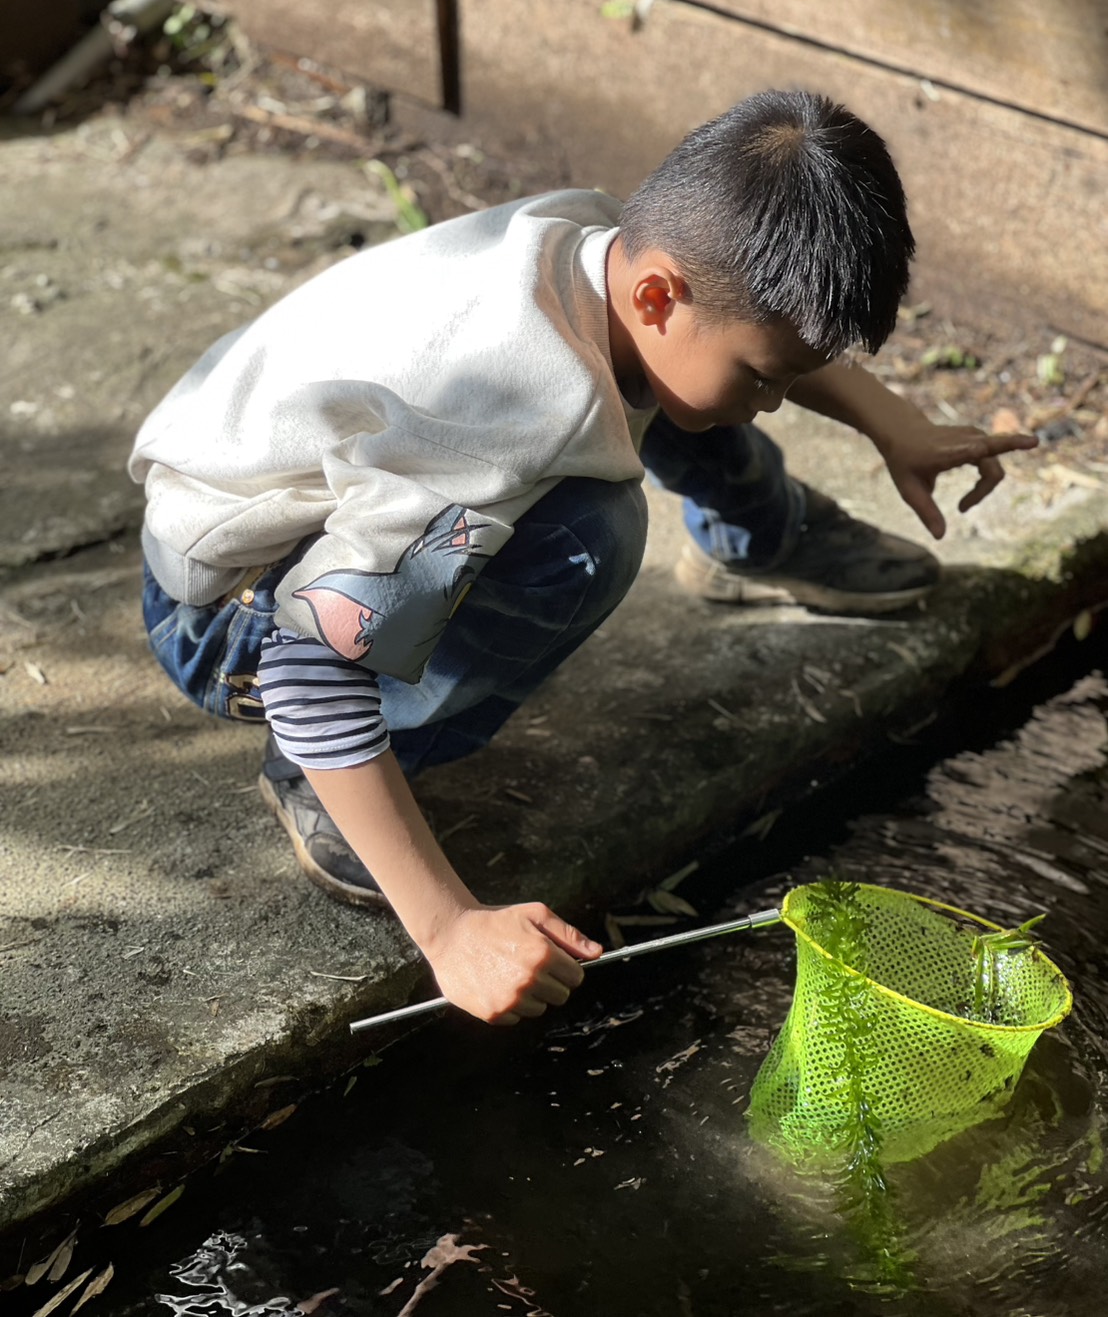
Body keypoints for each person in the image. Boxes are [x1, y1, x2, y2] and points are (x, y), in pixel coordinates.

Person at [130, 90, 1036, 1027]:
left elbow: (731, 333)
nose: (774, 402)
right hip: (230, 614)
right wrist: (448, 930)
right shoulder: (502, 427)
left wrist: (898, 423)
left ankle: (759, 539)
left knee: (671, 387)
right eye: (770, 378)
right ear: (658, 292)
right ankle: (318, 769)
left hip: (249, 478)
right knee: (590, 538)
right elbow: (308, 663)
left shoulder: (606, 238)